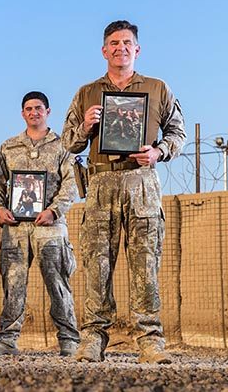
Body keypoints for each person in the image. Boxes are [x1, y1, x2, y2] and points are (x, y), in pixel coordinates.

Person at [61, 20, 186, 364]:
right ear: (104, 50)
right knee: (96, 264)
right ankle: (92, 339)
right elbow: (68, 143)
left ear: (137, 49)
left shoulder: (157, 88)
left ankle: (149, 340)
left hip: (141, 182)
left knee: (145, 265)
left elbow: (178, 131)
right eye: (114, 43)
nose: (120, 48)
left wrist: (158, 152)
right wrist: (86, 125)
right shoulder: (87, 92)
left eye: (127, 42)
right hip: (100, 184)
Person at [0, 91, 80, 357]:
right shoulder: (9, 147)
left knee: (58, 284)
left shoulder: (63, 146)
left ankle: (69, 339)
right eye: (28, 108)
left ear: (48, 111)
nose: (34, 112)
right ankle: (6, 340)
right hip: (15, 229)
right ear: (22, 113)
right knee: (12, 285)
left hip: (49, 226)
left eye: (39, 108)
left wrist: (54, 210)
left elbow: (72, 183)